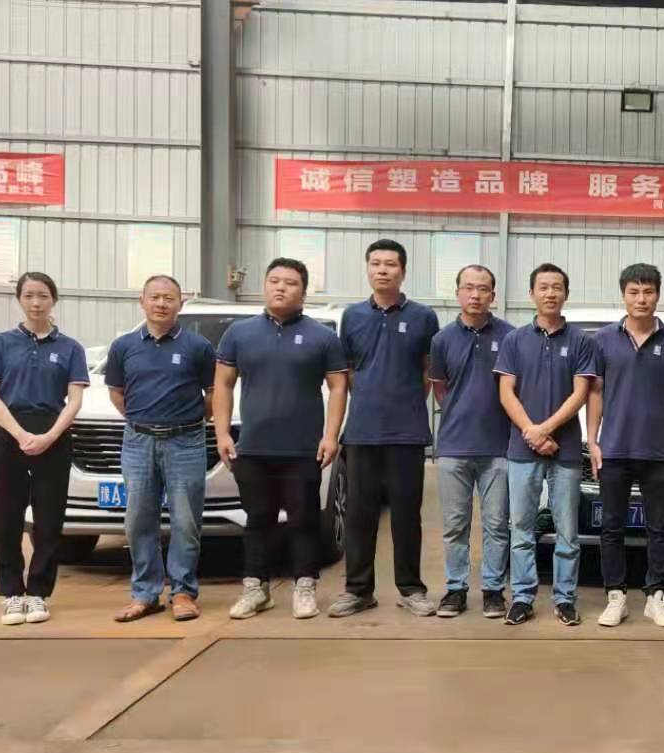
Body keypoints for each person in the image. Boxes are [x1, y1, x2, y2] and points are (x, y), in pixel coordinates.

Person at [214, 258, 349, 621]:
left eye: (290, 283)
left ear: (303, 292)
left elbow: (338, 387)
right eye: (274, 280)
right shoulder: (239, 333)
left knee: (304, 520)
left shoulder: (322, 336)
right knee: (258, 520)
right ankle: (256, 589)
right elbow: (222, 384)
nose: (281, 287)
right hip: (253, 447)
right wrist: (222, 432)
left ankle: (304, 587)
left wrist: (330, 436)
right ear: (264, 285)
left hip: (303, 448)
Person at [329, 239, 441, 619]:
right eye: (375, 263)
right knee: (359, 515)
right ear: (367, 269)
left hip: (407, 433)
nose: (382, 270)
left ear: (403, 271)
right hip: (362, 432)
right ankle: (358, 590)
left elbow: (427, 371)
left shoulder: (423, 317)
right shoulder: (352, 316)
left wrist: (403, 402)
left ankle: (411, 589)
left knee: (407, 516)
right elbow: (348, 372)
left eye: (390, 264)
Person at [0, 272, 89, 625]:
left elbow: (74, 400)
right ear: (19, 300)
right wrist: (19, 434)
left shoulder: (70, 348)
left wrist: (49, 436)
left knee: (48, 519)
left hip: (52, 435)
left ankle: (39, 592)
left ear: (53, 299)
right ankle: (11, 593)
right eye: (28, 295)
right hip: (7, 434)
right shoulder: (0, 344)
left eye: (42, 295)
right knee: (6, 517)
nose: (36, 302)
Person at [107, 275, 216, 623]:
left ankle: (183, 592)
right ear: (142, 301)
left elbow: (213, 395)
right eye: (154, 297)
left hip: (186, 441)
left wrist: (184, 420)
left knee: (186, 520)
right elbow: (117, 394)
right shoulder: (123, 346)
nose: (161, 303)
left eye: (169, 298)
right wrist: (144, 421)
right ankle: (145, 594)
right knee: (138, 520)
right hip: (138, 442)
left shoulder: (198, 347)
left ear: (180, 304)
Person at [586, 263, 664, 628]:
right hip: (613, 449)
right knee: (611, 527)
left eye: (648, 292)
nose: (641, 299)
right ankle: (616, 596)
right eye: (634, 292)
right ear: (623, 295)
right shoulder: (602, 340)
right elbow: (595, 392)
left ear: (657, 295)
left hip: (659, 451)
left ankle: (655, 596)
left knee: (659, 527)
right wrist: (592, 441)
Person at [495, 263, 597, 626]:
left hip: (565, 450)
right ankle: (522, 597)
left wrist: (547, 430)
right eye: (543, 287)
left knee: (567, 531)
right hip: (522, 450)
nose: (550, 293)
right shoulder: (514, 340)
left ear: (566, 294)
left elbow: (581, 393)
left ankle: (565, 598)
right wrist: (531, 432)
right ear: (532, 294)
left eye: (557, 287)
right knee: (521, 528)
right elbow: (506, 392)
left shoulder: (581, 341)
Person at [428, 264, 514, 620]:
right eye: (468, 287)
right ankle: (455, 589)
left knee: (497, 525)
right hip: (453, 447)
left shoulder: (510, 336)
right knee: (454, 526)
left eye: (483, 289)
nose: (475, 295)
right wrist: (460, 411)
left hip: (500, 447)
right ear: (457, 292)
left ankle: (493, 591)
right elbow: (439, 387)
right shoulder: (442, 339)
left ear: (493, 294)